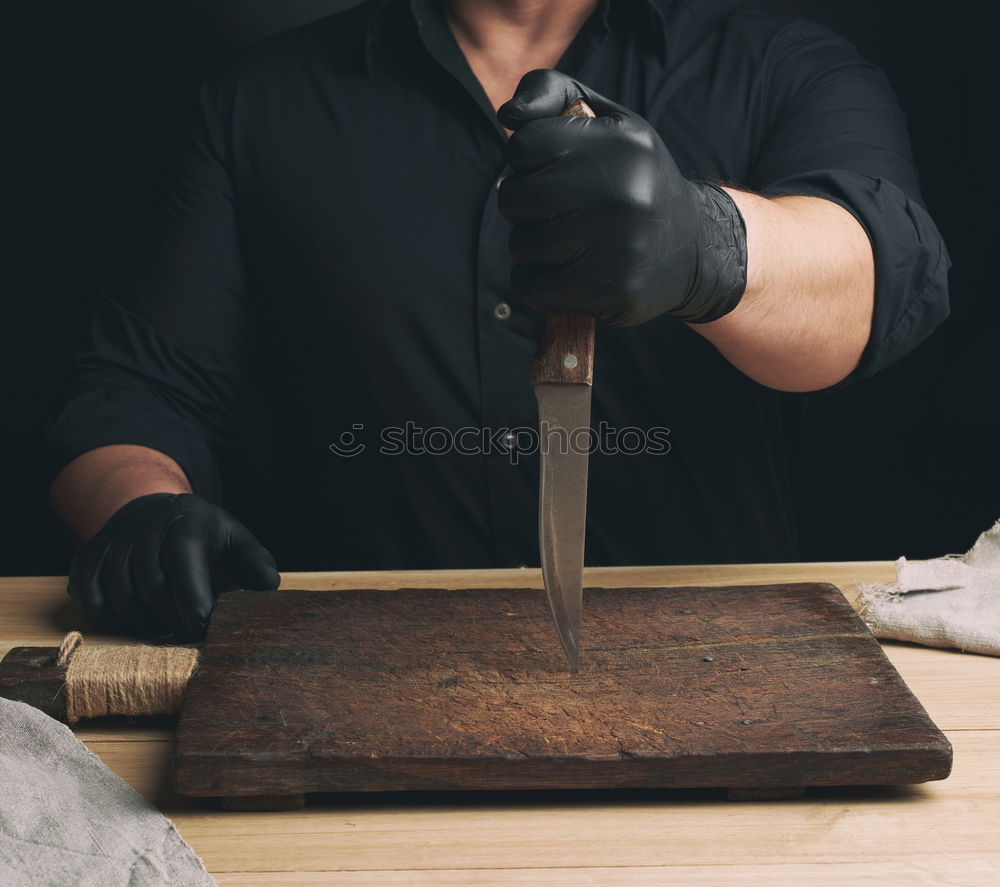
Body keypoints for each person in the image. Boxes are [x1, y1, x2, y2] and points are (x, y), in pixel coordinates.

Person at [44, 0, 950, 640]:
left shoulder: (785, 66)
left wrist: (705, 242)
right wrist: (143, 514)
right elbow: (131, 396)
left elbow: (879, 277)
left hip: (725, 684)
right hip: (352, 686)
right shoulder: (256, 104)